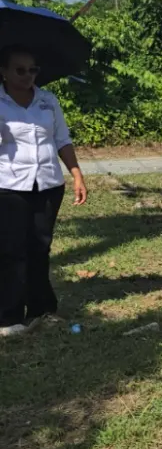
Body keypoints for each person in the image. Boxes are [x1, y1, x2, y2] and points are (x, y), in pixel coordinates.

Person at [0, 44, 87, 337]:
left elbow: (62, 140)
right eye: (20, 70)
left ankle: (42, 310)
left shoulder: (48, 101)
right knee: (12, 251)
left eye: (33, 69)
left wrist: (76, 174)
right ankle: (9, 316)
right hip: (9, 186)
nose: (27, 76)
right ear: (4, 72)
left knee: (40, 248)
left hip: (48, 184)